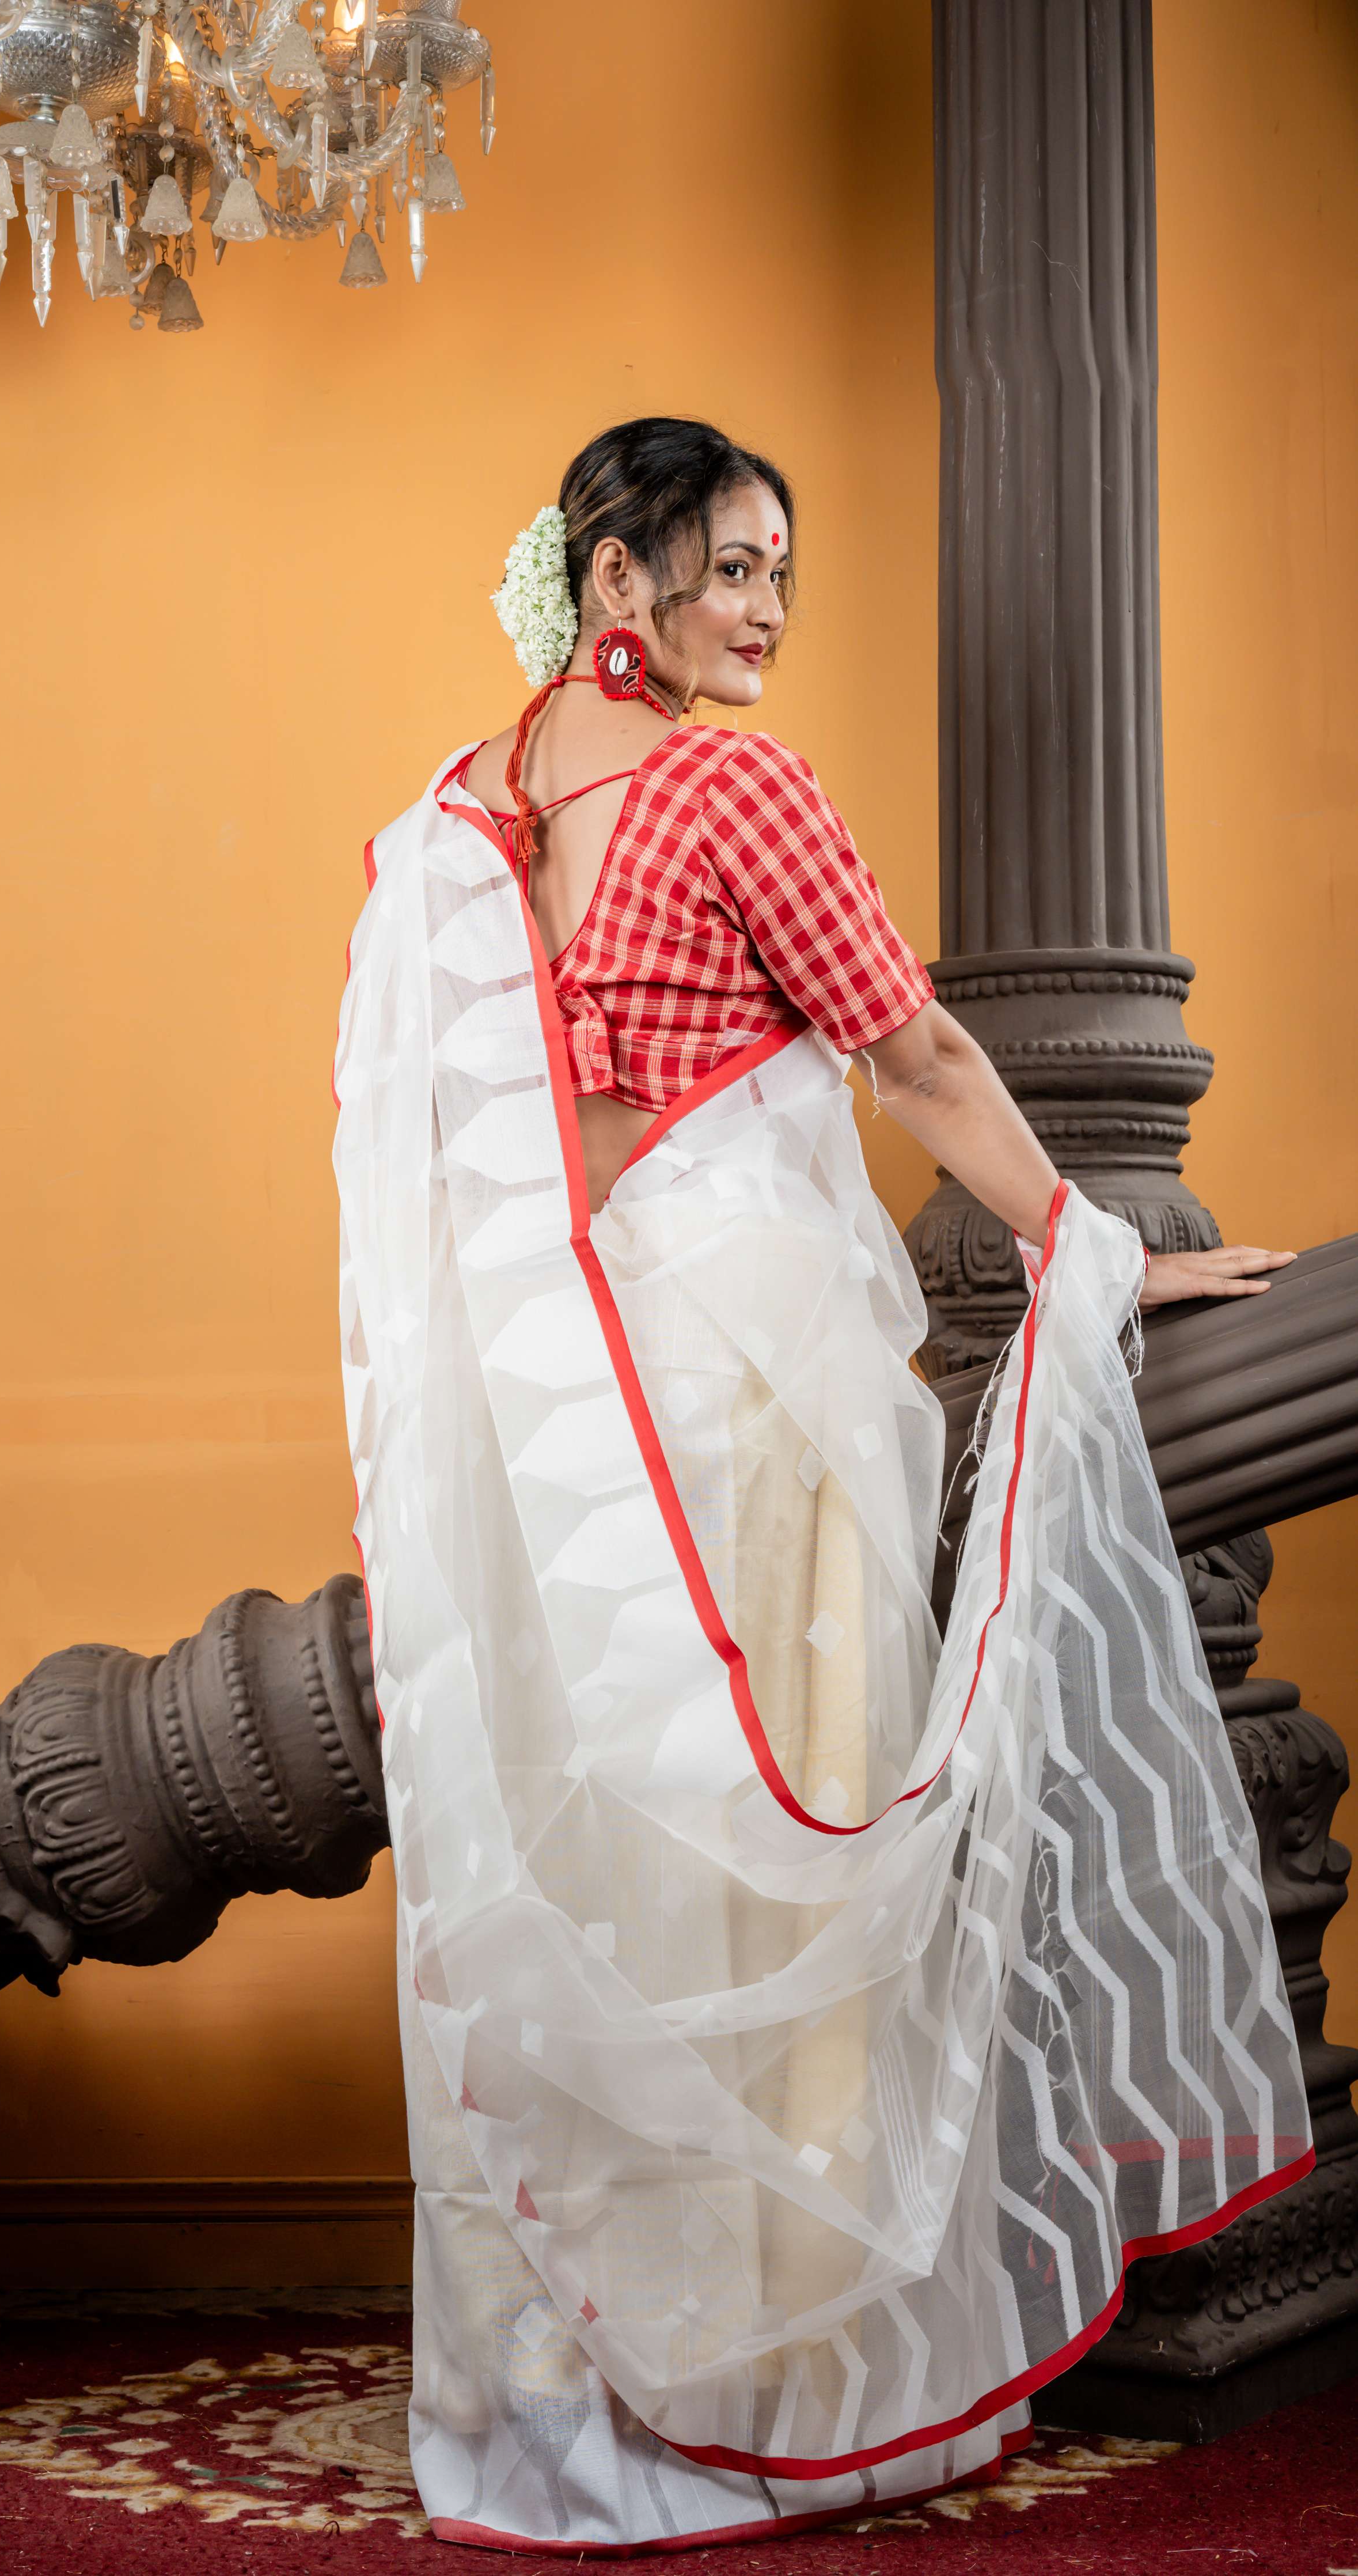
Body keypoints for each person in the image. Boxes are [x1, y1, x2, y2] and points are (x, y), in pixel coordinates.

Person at [332, 417, 1310, 2553]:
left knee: (634, 1870)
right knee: (792, 1862)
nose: (769, 606)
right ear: (620, 581)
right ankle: (779, 2371)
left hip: (592, 1432)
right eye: (734, 564)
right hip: (755, 1401)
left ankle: (592, 2371)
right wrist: (1103, 1248)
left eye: (786, 568)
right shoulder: (727, 783)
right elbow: (920, 1052)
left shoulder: (485, 811)